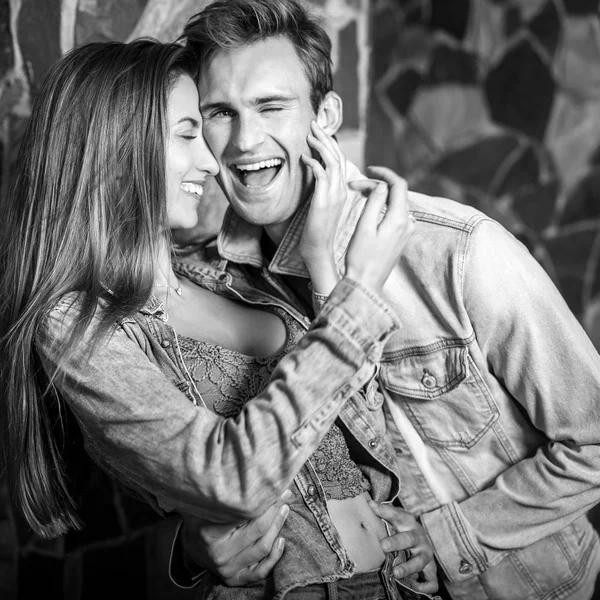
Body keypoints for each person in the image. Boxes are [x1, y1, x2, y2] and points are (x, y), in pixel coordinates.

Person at [172, 1, 600, 599]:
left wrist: (451, 536)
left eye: (272, 106)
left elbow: (595, 442)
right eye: (221, 112)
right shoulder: (213, 288)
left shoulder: (454, 251)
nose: (245, 141)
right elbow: (236, 465)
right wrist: (198, 544)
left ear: (326, 115)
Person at [0, 38, 440, 600]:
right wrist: (359, 294)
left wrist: (324, 265)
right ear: (115, 149)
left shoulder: (222, 267)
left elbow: (357, 414)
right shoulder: (76, 323)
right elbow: (228, 478)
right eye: (189, 133)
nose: (212, 160)